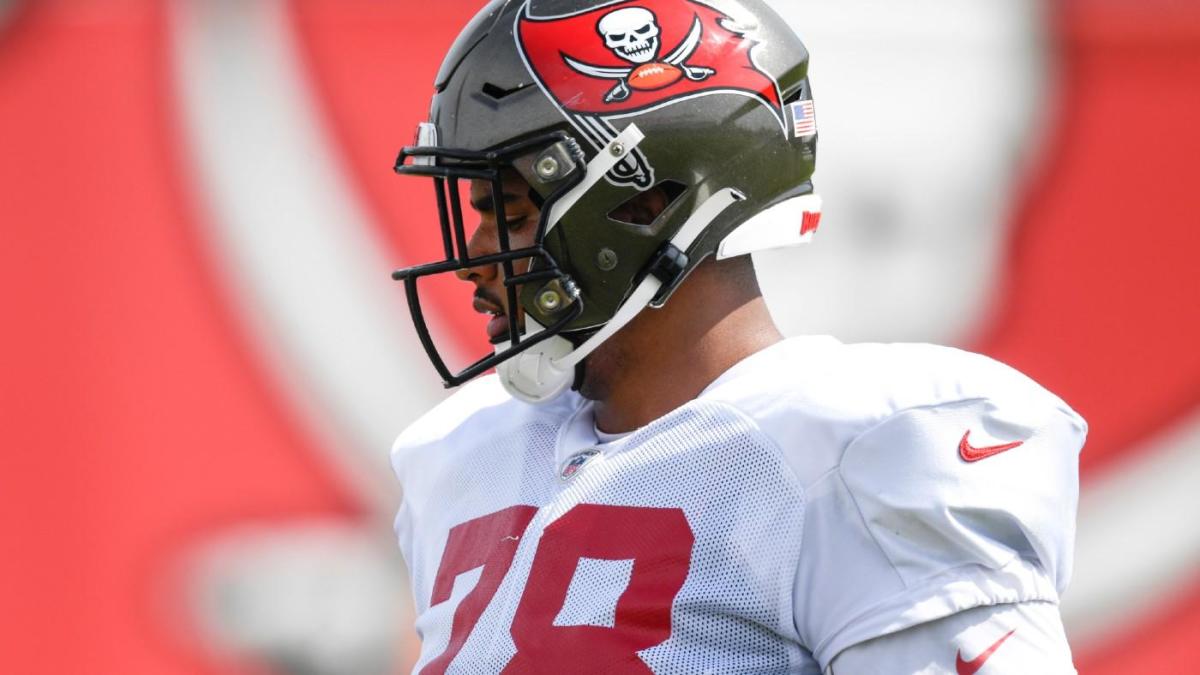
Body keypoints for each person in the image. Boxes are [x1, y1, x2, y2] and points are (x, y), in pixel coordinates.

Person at [388, 1, 1085, 672]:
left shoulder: (865, 450)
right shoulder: (465, 458)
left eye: (507, 210)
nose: (477, 254)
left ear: (647, 202)